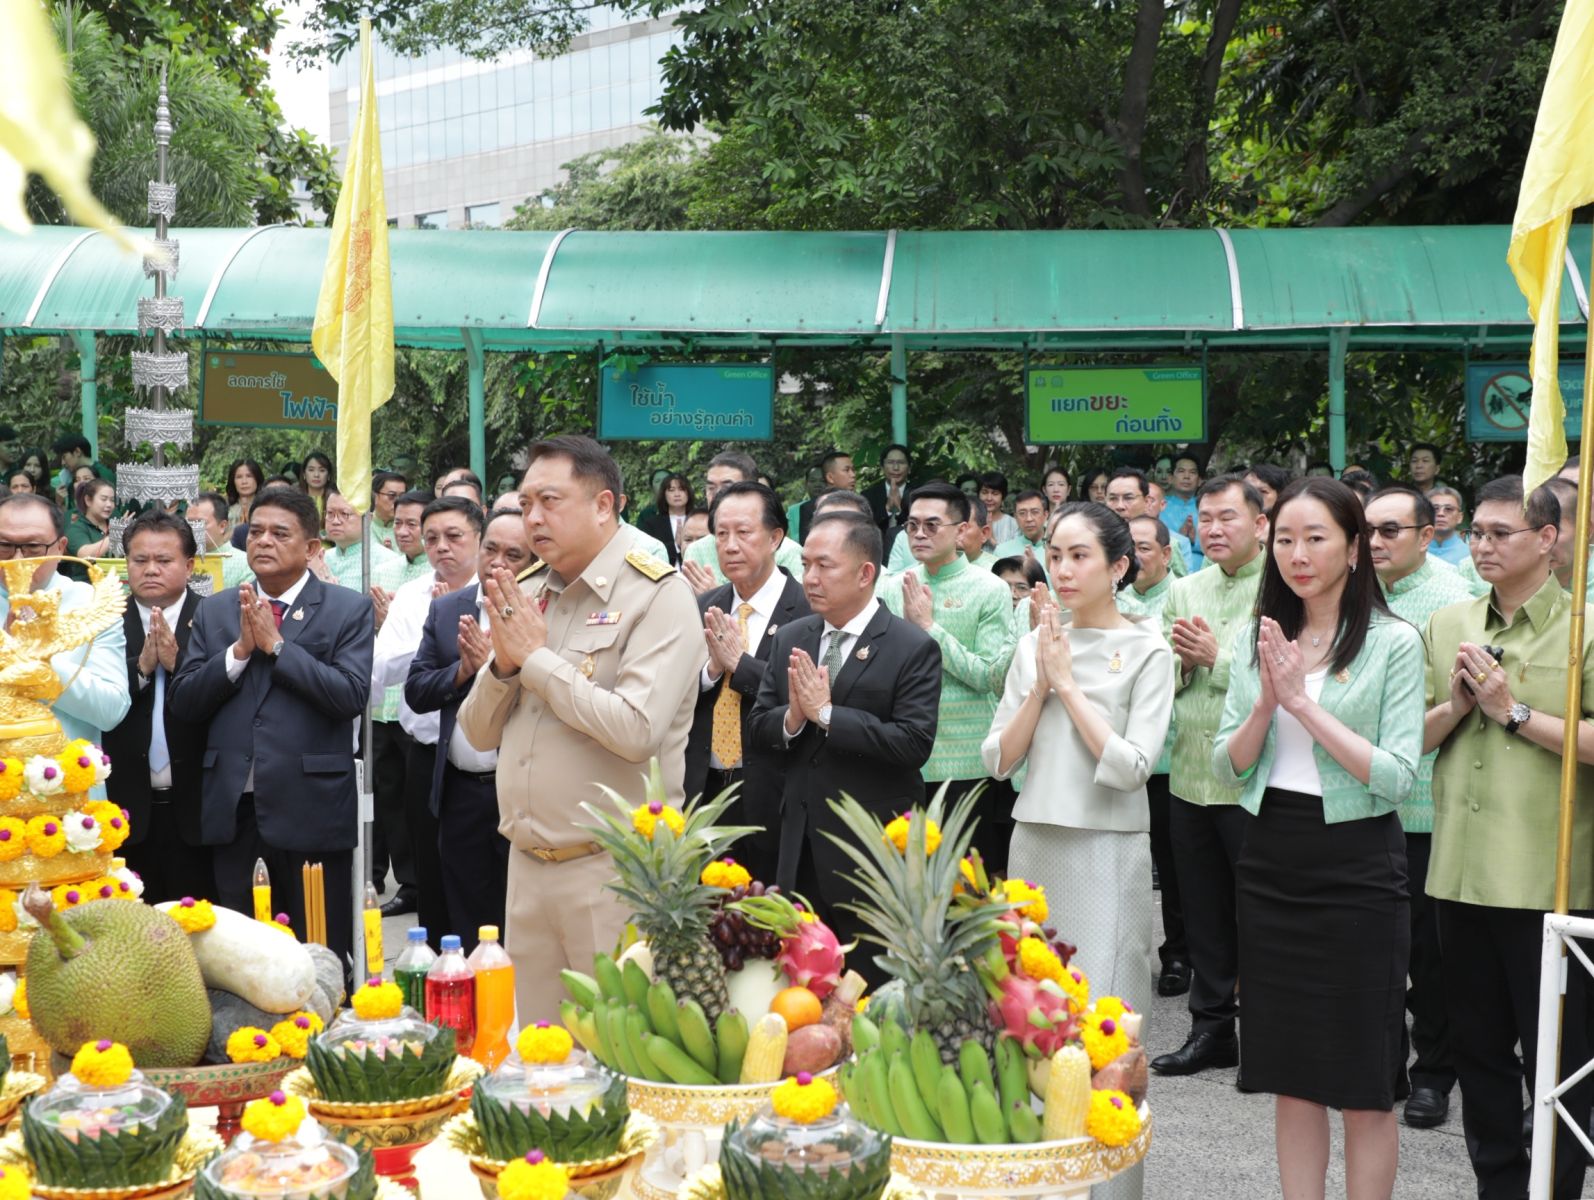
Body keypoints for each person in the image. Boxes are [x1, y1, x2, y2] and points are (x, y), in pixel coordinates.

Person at [1211, 476, 1423, 1200]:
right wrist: (1266, 706)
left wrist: (1303, 704)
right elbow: (1228, 765)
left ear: (1355, 548)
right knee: (1291, 1075)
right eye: (1285, 540)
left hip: (1358, 866)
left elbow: (1396, 778)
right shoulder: (1262, 636)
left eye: (1316, 538)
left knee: (1364, 1082)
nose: (1297, 555)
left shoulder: (1395, 642)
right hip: (1272, 861)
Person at [455, 437, 704, 1020]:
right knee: (539, 1051)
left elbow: (637, 730)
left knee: (618, 1052)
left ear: (603, 505)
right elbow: (477, 733)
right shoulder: (530, 590)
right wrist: (506, 666)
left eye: (550, 500)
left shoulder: (657, 595)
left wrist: (537, 661)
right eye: (525, 503)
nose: (533, 518)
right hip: (527, 865)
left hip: (612, 872)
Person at [1423, 476, 1594, 1200]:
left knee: (1559, 1062)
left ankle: (1553, 1191)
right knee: (1478, 1053)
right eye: (1476, 533)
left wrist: (1513, 712)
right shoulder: (1449, 622)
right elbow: (1411, 736)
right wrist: (1457, 708)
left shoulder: (1583, 627)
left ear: (1549, 540)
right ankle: (1497, 1186)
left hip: (1548, 879)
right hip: (1459, 872)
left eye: (1501, 533)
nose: (1482, 545)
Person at [982, 498, 1172, 1096]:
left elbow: (1132, 766)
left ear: (1118, 567)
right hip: (1035, 842)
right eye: (1055, 555)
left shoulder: (1149, 649)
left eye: (1079, 556)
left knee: (1105, 1019)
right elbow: (999, 760)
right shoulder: (1034, 646)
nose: (1063, 570)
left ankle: (1110, 1149)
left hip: (1107, 847)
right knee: (1031, 1010)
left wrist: (1066, 685)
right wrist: (1041, 686)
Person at [167, 488, 373, 963]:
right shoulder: (216, 610)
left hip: (312, 808)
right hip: (234, 808)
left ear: (312, 547)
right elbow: (185, 701)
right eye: (256, 531)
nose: (263, 541)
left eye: (280, 533)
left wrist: (279, 647)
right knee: (243, 957)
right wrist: (239, 652)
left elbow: (348, 696)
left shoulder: (347, 608)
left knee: (317, 952)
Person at [747, 511, 941, 982]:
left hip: (870, 850)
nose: (809, 578)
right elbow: (759, 727)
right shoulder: (792, 638)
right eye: (806, 564)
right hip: (799, 846)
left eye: (824, 566)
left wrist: (829, 715)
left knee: (872, 987)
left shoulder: (910, 646)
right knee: (802, 985)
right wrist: (794, 718)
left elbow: (913, 743)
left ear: (865, 572)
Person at [1363, 484, 1473, 1129]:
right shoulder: (1351, 595)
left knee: (1430, 958)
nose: (1375, 543)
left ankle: (1435, 1073)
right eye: (1367, 531)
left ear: (1427, 536)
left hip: (1426, 808)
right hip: (1363, 802)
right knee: (1375, 952)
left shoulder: (1455, 601)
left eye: (1390, 531)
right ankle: (1385, 1067)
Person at [1152, 475, 1268, 1077]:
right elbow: (1163, 676)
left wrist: (1213, 660)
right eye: (1206, 518)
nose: (1214, 529)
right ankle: (1212, 1030)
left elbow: (1280, 681)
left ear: (1261, 524)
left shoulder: (1283, 587)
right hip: (1190, 776)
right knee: (1202, 911)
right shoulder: (1184, 588)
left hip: (1252, 783)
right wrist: (1181, 664)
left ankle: (1270, 1039)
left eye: (1228, 517)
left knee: (1261, 913)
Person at [404, 507, 531, 947]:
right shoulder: (447, 610)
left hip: (519, 791)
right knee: (465, 918)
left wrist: (501, 669)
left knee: (517, 918)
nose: (498, 563)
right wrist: (462, 671)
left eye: (514, 555)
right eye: (491, 550)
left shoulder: (545, 612)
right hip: (460, 791)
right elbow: (416, 690)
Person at [880, 482, 1017, 871]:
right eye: (912, 525)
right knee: (907, 881)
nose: (919, 534)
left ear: (961, 531)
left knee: (967, 883)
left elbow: (988, 676)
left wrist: (929, 628)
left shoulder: (989, 588)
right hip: (903, 757)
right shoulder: (892, 587)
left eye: (932, 525)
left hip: (965, 761)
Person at [684, 483, 810, 883]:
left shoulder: (807, 609)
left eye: (743, 532)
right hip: (705, 789)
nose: (730, 546)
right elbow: (677, 692)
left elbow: (805, 697)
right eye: (721, 534)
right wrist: (711, 671)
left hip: (774, 792)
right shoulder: (704, 605)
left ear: (775, 538)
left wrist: (741, 665)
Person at [372, 496, 484, 937]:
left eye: (454, 536)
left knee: (479, 877)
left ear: (479, 537)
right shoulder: (413, 596)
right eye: (432, 538)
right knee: (430, 870)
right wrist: (434, 636)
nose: (441, 547)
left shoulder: (499, 591)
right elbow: (382, 668)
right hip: (424, 750)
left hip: (484, 759)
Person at [103, 511, 212, 904]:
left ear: (189, 565)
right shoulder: (104, 623)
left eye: (164, 560)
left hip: (200, 808)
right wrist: (142, 669)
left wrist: (178, 665)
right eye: (140, 560)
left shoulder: (216, 618)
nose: (151, 570)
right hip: (124, 806)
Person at [1118, 515, 1186, 996]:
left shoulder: (1182, 597)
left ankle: (1179, 952)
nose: (1136, 556)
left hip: (1168, 759)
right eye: (1129, 548)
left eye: (1145, 547)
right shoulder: (1110, 599)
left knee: (1174, 864)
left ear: (1166, 553)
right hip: (1116, 753)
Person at [366, 488, 439, 917]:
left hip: (427, 713)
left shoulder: (451, 576)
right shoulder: (393, 575)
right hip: (386, 706)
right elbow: (382, 652)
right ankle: (410, 884)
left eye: (415, 523)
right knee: (394, 802)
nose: (406, 531)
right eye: (400, 523)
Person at [686, 452, 806, 585]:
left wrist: (714, 594)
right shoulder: (696, 550)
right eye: (711, 488)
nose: (717, 495)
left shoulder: (789, 552)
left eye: (727, 487)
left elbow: (796, 597)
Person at [1107, 468, 1189, 576]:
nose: (1120, 506)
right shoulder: (1096, 540)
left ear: (1146, 502)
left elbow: (1181, 584)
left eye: (1128, 498)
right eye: (1113, 498)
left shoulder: (1166, 542)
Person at [322, 491, 405, 594]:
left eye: (344, 514)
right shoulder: (320, 559)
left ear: (368, 519)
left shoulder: (387, 562)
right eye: (330, 513)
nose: (335, 521)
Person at [191, 493, 255, 589]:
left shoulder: (245, 564)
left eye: (200, 522)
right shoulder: (180, 561)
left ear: (222, 526)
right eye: (189, 522)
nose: (193, 528)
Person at [796, 450, 859, 542]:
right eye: (846, 470)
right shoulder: (810, 508)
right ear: (830, 477)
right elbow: (806, 543)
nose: (853, 475)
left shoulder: (861, 504)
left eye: (853, 470)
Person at [62, 478, 115, 581]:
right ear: (88, 501)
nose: (109, 504)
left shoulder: (113, 525)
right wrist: (115, 536)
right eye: (104, 499)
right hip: (87, 586)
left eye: (112, 500)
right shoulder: (75, 529)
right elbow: (86, 556)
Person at [638, 472, 693, 566]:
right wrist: (675, 545)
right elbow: (646, 554)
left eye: (681, 489)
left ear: (688, 493)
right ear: (664, 494)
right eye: (671, 490)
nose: (677, 494)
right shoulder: (652, 524)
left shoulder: (699, 519)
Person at [863, 444, 913, 535]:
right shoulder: (867, 495)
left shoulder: (918, 494)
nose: (896, 468)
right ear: (882, 467)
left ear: (909, 468)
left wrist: (899, 510)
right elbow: (864, 528)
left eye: (901, 463)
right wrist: (887, 509)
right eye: (890, 462)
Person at [994, 489, 1049, 561]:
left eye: (1035, 512)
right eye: (1022, 513)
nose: (1029, 519)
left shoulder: (1057, 548)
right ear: (1015, 517)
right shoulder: (1002, 551)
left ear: (1045, 515)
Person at [1424, 485, 1469, 567]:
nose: (1441, 513)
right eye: (1435, 509)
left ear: (1460, 517)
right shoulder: (1412, 552)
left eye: (1448, 509)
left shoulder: (1471, 555)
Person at [369, 472, 409, 553]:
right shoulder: (361, 527)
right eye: (391, 495)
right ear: (375, 496)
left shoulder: (410, 529)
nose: (397, 501)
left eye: (402, 496)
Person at [787, 465, 827, 541]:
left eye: (822, 481)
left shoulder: (836, 507)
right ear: (806, 484)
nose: (817, 484)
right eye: (813, 481)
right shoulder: (794, 511)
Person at [979, 472, 1020, 545]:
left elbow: (1016, 551)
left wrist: (991, 539)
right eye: (984, 492)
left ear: (1003, 496)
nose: (989, 498)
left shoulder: (1014, 524)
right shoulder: (971, 521)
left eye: (995, 493)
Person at [227, 460, 265, 527]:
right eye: (239, 477)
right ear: (233, 481)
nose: (244, 482)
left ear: (257, 479)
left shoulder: (267, 507)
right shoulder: (225, 510)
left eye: (249, 476)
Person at [298, 451, 333, 524]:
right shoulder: (295, 499)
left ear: (329, 475)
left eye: (322, 470)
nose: (316, 475)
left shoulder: (336, 500)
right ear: (304, 474)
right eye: (311, 470)